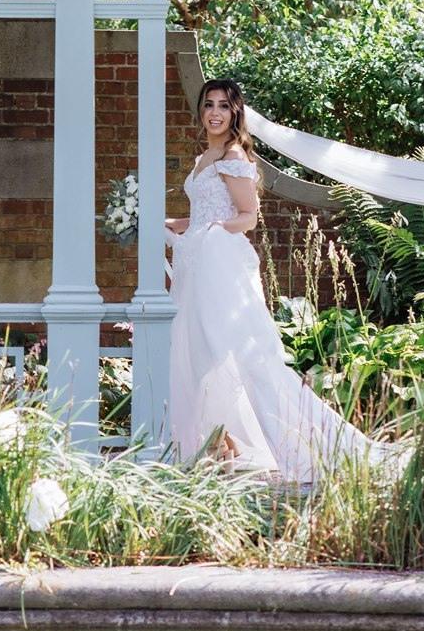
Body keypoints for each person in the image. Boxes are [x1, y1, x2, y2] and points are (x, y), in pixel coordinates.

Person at [164, 78, 395, 481]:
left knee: (239, 355)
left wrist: (211, 230)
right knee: (203, 352)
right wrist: (169, 223)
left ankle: (295, 444)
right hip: (198, 264)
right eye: (209, 105)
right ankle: (219, 443)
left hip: (220, 266)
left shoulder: (233, 155)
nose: (215, 112)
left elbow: (247, 218)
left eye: (223, 106)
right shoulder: (206, 155)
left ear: (235, 112)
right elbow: (203, 215)